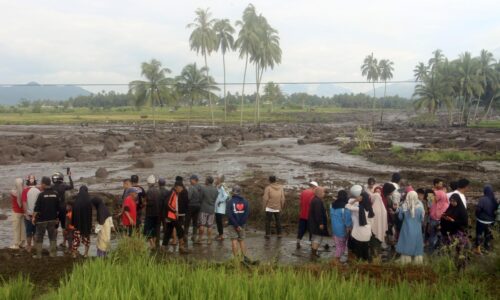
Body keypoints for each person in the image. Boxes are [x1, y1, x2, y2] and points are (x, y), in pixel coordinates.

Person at [33, 176, 61, 258]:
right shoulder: (56, 194)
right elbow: (58, 208)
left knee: (39, 237)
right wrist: (57, 218)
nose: (40, 185)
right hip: (52, 219)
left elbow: (36, 209)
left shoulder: (41, 195)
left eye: (41, 183)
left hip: (42, 220)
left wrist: (33, 218)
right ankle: (53, 254)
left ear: (44, 184)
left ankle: (38, 255)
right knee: (52, 237)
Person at [396, 191, 425, 264]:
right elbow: (422, 219)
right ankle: (417, 261)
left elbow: (400, 217)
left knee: (406, 243)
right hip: (417, 229)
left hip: (406, 228)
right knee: (417, 243)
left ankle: (405, 260)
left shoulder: (404, 206)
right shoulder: (420, 206)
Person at [346, 185, 374, 262]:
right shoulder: (370, 209)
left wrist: (355, 200)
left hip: (358, 233)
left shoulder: (359, 209)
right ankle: (367, 264)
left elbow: (347, 206)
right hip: (367, 233)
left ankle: (360, 265)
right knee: (365, 251)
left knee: (358, 252)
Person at [441, 193, 469, 266]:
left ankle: (460, 264)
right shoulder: (450, 207)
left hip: (458, 232)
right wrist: (444, 216)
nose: (452, 203)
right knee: (450, 249)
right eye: (451, 201)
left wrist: (454, 221)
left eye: (454, 201)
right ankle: (450, 262)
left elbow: (464, 222)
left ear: (458, 201)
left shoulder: (462, 211)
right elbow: (447, 213)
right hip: (449, 231)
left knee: (459, 249)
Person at [162, 181, 187, 254]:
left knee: (168, 231)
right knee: (180, 230)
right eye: (181, 188)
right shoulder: (173, 193)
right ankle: (181, 247)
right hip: (171, 215)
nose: (181, 190)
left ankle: (163, 246)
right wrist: (174, 211)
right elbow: (167, 204)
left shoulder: (175, 193)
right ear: (177, 187)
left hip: (170, 215)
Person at [226, 185, 249, 261]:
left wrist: (236, 225)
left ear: (233, 192)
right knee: (241, 240)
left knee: (234, 240)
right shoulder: (245, 201)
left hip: (232, 224)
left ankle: (236, 258)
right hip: (242, 225)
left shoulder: (230, 202)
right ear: (240, 192)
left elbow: (229, 214)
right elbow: (246, 214)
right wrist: (240, 225)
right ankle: (245, 257)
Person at [330, 190, 352, 264]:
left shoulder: (332, 205)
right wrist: (350, 228)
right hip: (342, 231)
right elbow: (348, 222)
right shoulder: (345, 208)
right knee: (341, 246)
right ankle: (336, 260)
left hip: (334, 229)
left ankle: (337, 260)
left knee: (338, 246)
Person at [474, 185, 498, 254]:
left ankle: (478, 249)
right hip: (490, 221)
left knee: (479, 234)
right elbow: (496, 209)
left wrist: (477, 215)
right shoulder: (494, 199)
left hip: (481, 220)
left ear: (485, 191)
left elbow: (478, 209)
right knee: (488, 234)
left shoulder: (483, 199)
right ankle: (487, 247)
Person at [71, 186, 93, 258]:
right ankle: (86, 254)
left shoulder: (76, 201)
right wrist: (90, 224)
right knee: (86, 239)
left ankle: (74, 254)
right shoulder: (88, 201)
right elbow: (90, 214)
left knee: (76, 239)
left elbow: (73, 213)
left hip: (77, 224)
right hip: (86, 225)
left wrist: (73, 223)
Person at [308, 186, 329, 258]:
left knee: (315, 238)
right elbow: (318, 213)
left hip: (313, 223)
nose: (324, 194)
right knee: (317, 238)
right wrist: (320, 223)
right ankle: (313, 254)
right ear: (319, 193)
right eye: (323, 192)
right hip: (316, 224)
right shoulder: (317, 201)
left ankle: (313, 253)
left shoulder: (315, 199)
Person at [296, 181, 318, 249]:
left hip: (303, 214)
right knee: (312, 231)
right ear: (314, 187)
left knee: (301, 229)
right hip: (311, 216)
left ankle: (298, 242)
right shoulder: (314, 194)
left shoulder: (303, 192)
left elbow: (301, 203)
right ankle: (312, 244)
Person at [198, 176, 218, 244]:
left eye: (205, 180)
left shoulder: (203, 189)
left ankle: (200, 239)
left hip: (203, 209)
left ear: (207, 181)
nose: (204, 181)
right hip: (212, 209)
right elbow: (215, 199)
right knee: (210, 225)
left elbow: (200, 199)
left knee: (202, 225)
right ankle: (209, 240)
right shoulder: (216, 190)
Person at [22, 175, 40, 252]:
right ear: (35, 181)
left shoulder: (25, 191)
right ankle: (35, 246)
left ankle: (29, 246)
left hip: (29, 215)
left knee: (29, 232)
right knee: (36, 231)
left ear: (27, 182)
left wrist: (26, 214)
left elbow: (24, 203)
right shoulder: (39, 191)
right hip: (37, 215)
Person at [144, 175, 161, 249]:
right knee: (155, 229)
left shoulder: (149, 191)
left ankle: (152, 244)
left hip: (150, 214)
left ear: (149, 183)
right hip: (158, 213)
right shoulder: (158, 190)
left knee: (148, 229)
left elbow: (148, 202)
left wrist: (145, 203)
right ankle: (154, 243)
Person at [371, 186, 388, 250]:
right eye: (376, 192)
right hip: (380, 228)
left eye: (379, 192)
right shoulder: (383, 208)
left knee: (374, 243)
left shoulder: (372, 208)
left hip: (373, 230)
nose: (378, 193)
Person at [185, 175, 202, 243]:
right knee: (195, 221)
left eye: (191, 179)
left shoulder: (191, 187)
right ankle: (194, 236)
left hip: (191, 206)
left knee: (187, 221)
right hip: (198, 206)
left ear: (194, 180)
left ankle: (185, 235)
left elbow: (188, 197)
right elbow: (202, 197)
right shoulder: (200, 187)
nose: (189, 181)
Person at [10, 178, 26, 250]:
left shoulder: (13, 192)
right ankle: (22, 243)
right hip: (23, 212)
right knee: (23, 228)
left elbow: (15, 192)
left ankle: (16, 244)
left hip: (16, 212)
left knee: (16, 229)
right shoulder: (25, 191)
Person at [214, 175, 229, 241]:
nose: (215, 180)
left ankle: (221, 235)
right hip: (217, 207)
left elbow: (226, 195)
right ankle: (220, 234)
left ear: (220, 180)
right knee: (218, 221)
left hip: (220, 207)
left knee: (219, 221)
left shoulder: (222, 186)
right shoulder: (218, 186)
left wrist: (220, 201)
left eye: (217, 178)